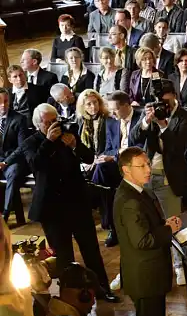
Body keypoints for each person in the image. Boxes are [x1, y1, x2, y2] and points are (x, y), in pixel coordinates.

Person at [22, 103, 117, 301]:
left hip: (77, 202)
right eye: (47, 122)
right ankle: (71, 297)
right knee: (63, 256)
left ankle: (101, 289)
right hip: (52, 208)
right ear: (38, 124)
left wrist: (75, 145)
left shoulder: (68, 134)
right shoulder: (31, 142)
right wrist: (49, 141)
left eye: (54, 120)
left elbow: (89, 157)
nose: (52, 125)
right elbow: (36, 165)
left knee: (91, 250)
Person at [113, 147, 182, 316]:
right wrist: (168, 230)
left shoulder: (137, 192)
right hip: (146, 276)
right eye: (141, 166)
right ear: (126, 170)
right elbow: (142, 240)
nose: (148, 170)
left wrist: (164, 225)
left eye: (148, 164)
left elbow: (146, 226)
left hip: (148, 274)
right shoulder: (129, 200)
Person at [129, 79, 187, 286]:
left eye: (165, 101)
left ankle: (179, 265)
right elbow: (134, 138)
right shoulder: (150, 110)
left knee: (174, 222)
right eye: (159, 101)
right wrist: (146, 121)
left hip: (169, 177)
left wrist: (163, 125)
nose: (161, 105)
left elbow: (177, 147)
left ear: (174, 95)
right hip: (146, 175)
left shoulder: (186, 118)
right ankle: (141, 264)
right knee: (142, 221)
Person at [93, 90, 142, 248]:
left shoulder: (141, 118)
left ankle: (94, 198)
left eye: (115, 109)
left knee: (103, 180)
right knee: (101, 170)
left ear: (126, 106)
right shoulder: (111, 121)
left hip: (135, 164)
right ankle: (113, 228)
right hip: (116, 164)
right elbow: (108, 148)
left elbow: (140, 147)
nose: (112, 113)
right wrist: (110, 156)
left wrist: (116, 155)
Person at [0, 89, 30, 226]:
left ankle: (5, 215)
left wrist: (5, 162)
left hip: (13, 161)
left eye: (6, 101)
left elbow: (22, 147)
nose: (3, 105)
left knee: (12, 174)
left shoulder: (19, 119)